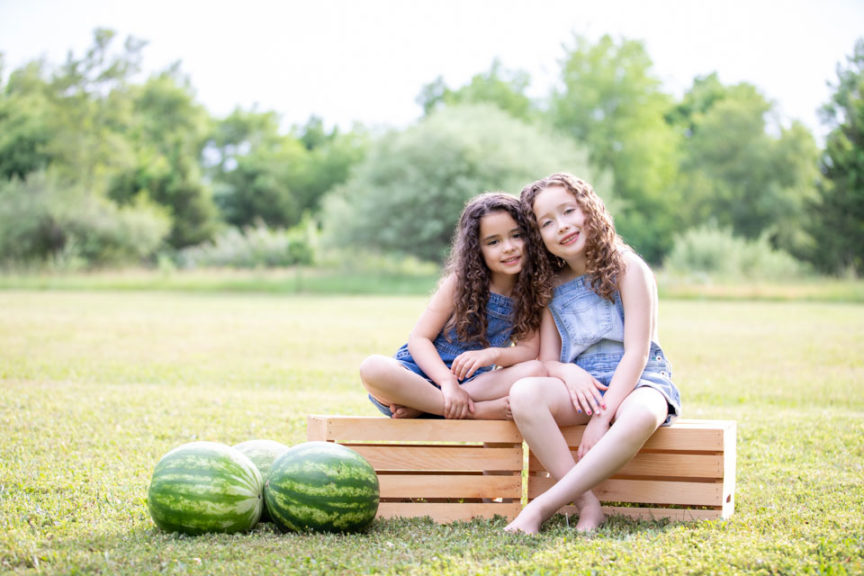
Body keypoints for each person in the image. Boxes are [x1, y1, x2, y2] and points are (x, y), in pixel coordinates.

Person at [504, 173, 681, 534]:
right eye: (547, 223)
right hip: (582, 384)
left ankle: (542, 507)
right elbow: (550, 359)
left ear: (590, 210)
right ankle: (587, 503)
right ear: (539, 238)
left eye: (569, 211)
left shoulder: (628, 268)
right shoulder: (552, 286)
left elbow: (637, 353)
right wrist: (568, 373)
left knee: (640, 415)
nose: (562, 226)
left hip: (638, 381)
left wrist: (603, 418)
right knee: (524, 394)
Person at [360, 192, 550, 420]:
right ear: (477, 250)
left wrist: (492, 355)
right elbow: (419, 339)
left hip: (473, 386)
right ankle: (471, 411)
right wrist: (447, 382)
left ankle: (428, 406)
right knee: (372, 368)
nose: (508, 247)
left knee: (536, 370)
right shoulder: (460, 283)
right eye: (494, 242)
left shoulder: (530, 291)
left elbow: (529, 350)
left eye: (516, 235)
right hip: (416, 377)